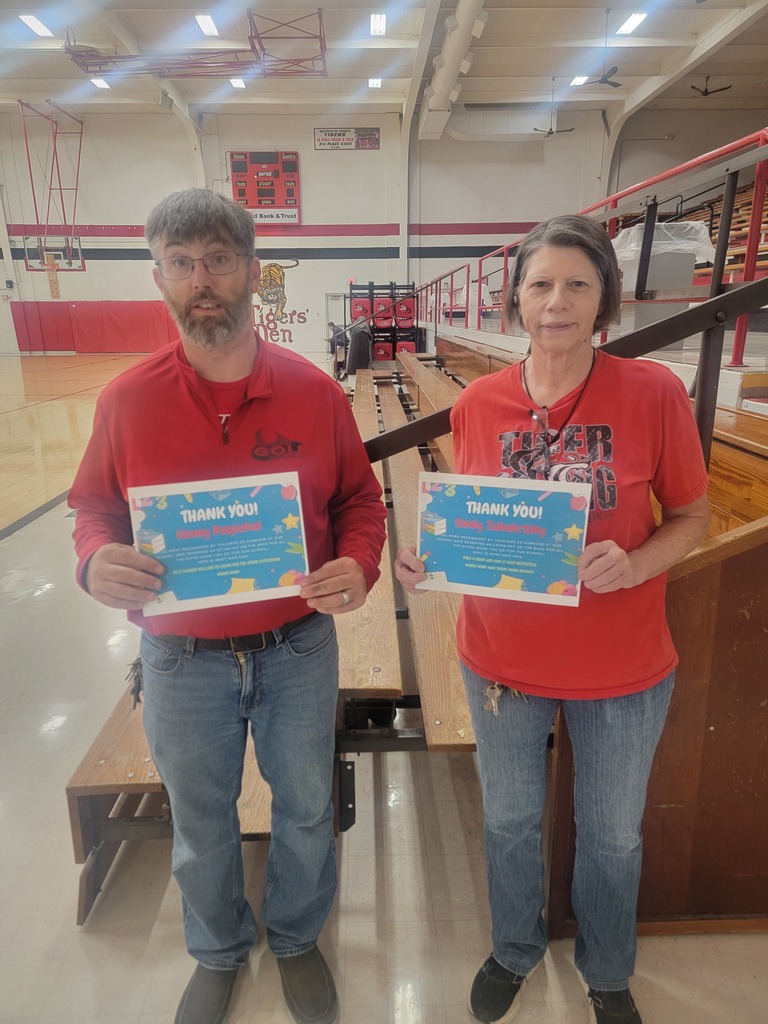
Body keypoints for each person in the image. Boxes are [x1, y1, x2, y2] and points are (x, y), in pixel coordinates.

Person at [69, 188, 387, 1024]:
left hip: (297, 649)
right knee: (202, 816)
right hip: (180, 663)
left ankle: (293, 937)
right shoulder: (125, 401)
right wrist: (95, 560)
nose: (201, 280)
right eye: (181, 263)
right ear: (159, 277)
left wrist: (358, 564)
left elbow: (361, 502)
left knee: (307, 805)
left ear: (253, 271)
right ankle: (215, 949)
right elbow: (93, 513)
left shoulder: (315, 393)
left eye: (218, 260)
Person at [394, 214, 710, 1024]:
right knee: (508, 821)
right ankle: (514, 948)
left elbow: (693, 516)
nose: (557, 301)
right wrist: (434, 561)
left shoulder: (654, 393)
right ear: (516, 300)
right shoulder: (481, 406)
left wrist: (636, 563)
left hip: (623, 665)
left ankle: (607, 971)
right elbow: (477, 523)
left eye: (578, 284)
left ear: (604, 298)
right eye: (540, 284)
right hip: (501, 659)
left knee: (611, 836)